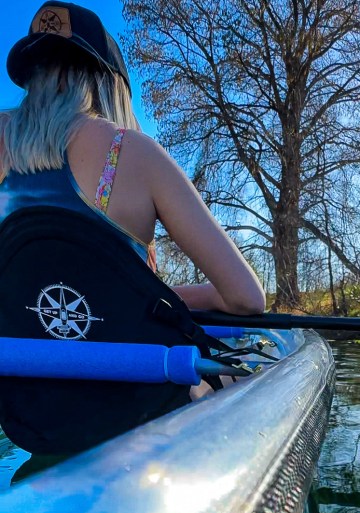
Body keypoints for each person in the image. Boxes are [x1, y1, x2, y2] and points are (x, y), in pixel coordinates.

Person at [0, 2, 266, 468]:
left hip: (32, 413)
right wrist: (159, 297)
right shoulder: (133, 152)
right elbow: (247, 299)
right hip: (133, 404)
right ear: (106, 80)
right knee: (241, 374)